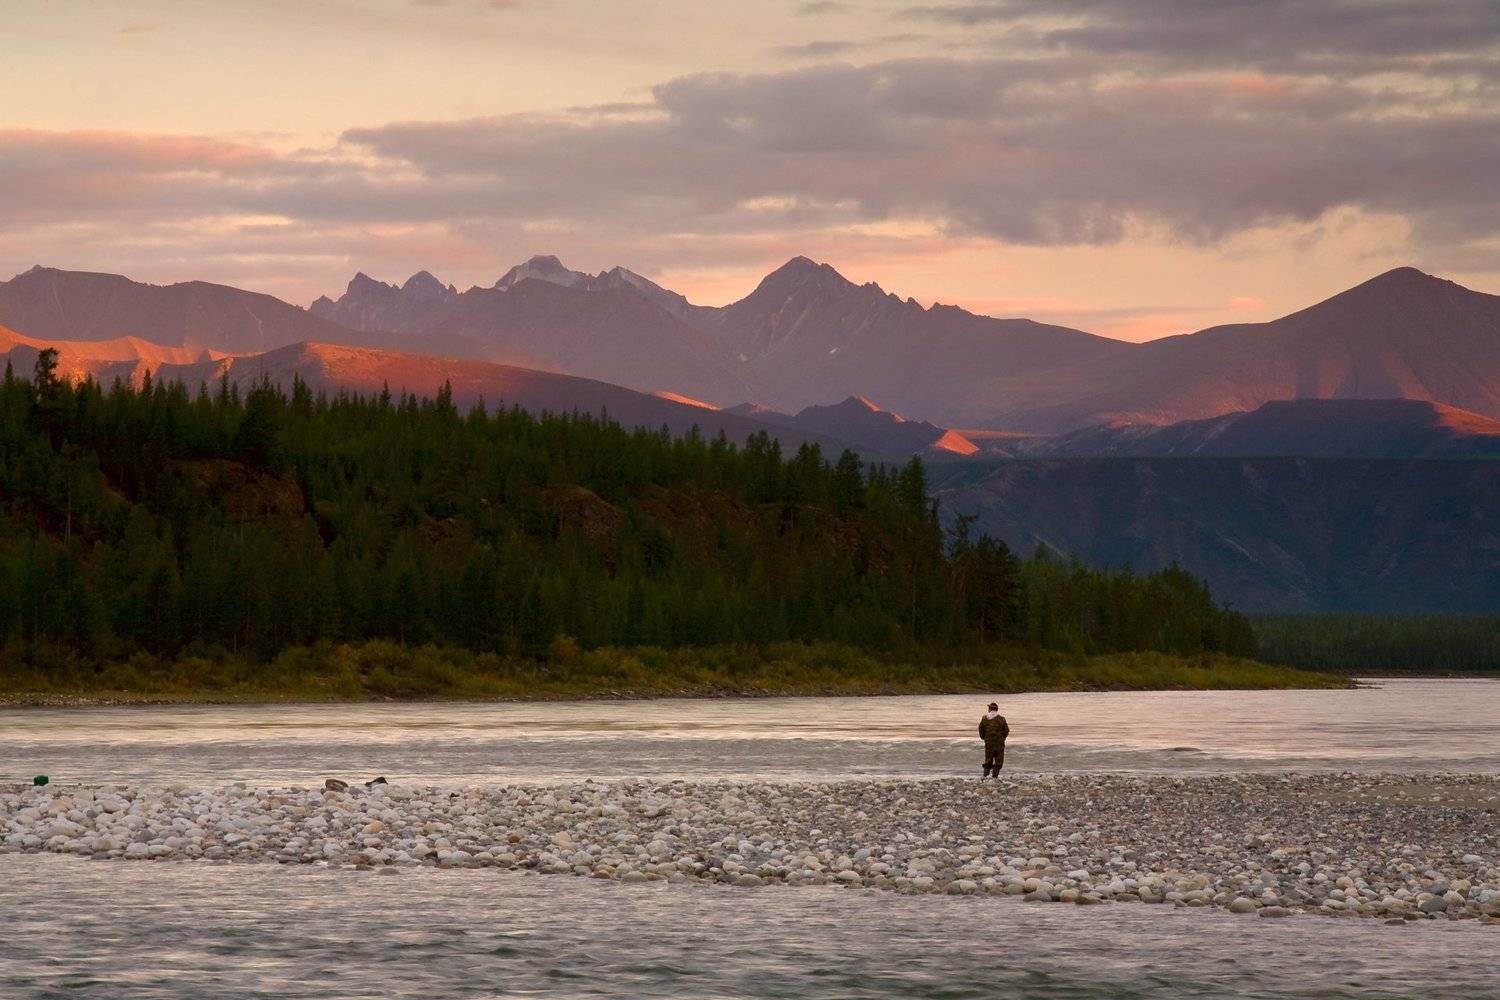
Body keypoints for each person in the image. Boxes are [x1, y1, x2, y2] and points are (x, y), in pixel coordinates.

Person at [978, 702, 1009, 778]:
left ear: (990, 709)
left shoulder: (984, 718)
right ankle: (994, 777)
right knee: (998, 761)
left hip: (989, 743)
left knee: (988, 760)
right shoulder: (1002, 719)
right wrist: (1002, 738)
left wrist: (984, 738)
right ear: (996, 710)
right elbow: (1006, 731)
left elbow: (981, 730)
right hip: (999, 743)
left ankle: (985, 777)